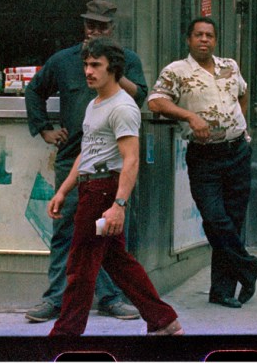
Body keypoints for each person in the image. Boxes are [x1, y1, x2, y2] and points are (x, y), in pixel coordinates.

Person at [47, 38, 183, 337]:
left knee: (81, 264)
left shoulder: (122, 107)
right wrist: (63, 190)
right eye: (86, 64)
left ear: (114, 70)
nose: (88, 71)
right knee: (117, 262)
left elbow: (131, 159)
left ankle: (64, 336)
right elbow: (87, 153)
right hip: (90, 188)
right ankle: (163, 320)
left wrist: (118, 205)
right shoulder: (95, 105)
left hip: (103, 192)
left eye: (96, 65)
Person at [24, 0, 145, 323]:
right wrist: (43, 129)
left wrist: (114, 72)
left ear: (112, 29)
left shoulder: (126, 61)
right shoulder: (64, 60)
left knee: (108, 232)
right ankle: (54, 299)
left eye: (101, 27)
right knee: (64, 229)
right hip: (73, 160)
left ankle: (110, 298)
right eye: (90, 25)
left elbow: (141, 96)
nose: (94, 31)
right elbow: (34, 90)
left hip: (112, 165)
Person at [149, 17, 257, 309]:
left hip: (238, 152)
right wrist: (189, 116)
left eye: (209, 35)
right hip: (205, 156)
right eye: (198, 35)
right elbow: (155, 101)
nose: (204, 40)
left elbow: (243, 92)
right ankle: (247, 266)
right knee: (215, 219)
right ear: (188, 39)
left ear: (215, 40)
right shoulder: (176, 71)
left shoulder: (230, 66)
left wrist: (241, 124)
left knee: (233, 220)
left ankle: (222, 290)